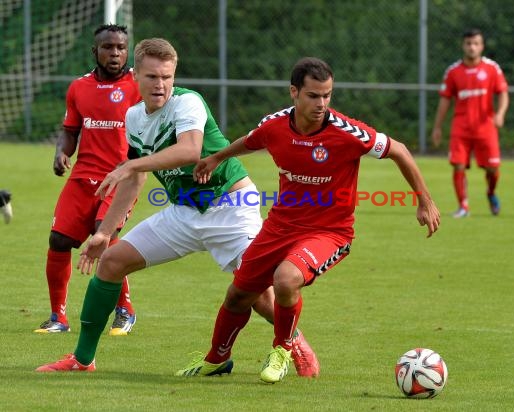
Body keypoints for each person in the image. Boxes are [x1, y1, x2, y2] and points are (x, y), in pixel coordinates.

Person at [35, 38, 319, 377]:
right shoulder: (134, 117)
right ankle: (82, 360)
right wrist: (104, 232)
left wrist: (132, 165)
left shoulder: (188, 102)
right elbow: (134, 181)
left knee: (257, 295)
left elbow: (189, 151)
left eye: (167, 76)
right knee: (110, 261)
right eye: (152, 77)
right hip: (183, 213)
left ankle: (295, 342)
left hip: (230, 206)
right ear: (136, 76)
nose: (161, 84)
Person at [178, 57, 441, 383]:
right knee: (237, 295)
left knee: (285, 280)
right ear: (294, 93)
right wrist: (217, 157)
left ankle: (282, 349)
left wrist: (424, 200)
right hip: (280, 226)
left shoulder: (347, 132)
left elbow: (398, 150)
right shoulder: (275, 126)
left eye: (327, 95)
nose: (322, 104)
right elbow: (250, 142)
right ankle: (217, 358)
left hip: (329, 232)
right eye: (314, 96)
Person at [35, 24, 141, 335]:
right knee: (58, 240)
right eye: (108, 47)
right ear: (95, 51)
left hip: (119, 177)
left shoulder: (138, 85)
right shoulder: (78, 87)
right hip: (82, 177)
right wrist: (60, 153)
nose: (116, 53)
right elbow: (70, 131)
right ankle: (58, 317)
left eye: (121, 47)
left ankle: (125, 310)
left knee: (103, 236)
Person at [431, 28, 509, 218]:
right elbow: (445, 100)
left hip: (486, 127)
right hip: (461, 127)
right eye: (468, 43)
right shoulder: (453, 71)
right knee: (458, 165)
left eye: (476, 43)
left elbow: (503, 93)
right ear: (463, 45)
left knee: (493, 169)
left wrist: (500, 114)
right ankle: (463, 207)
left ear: (481, 46)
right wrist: (437, 127)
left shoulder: (492, 68)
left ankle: (490, 193)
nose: (472, 47)